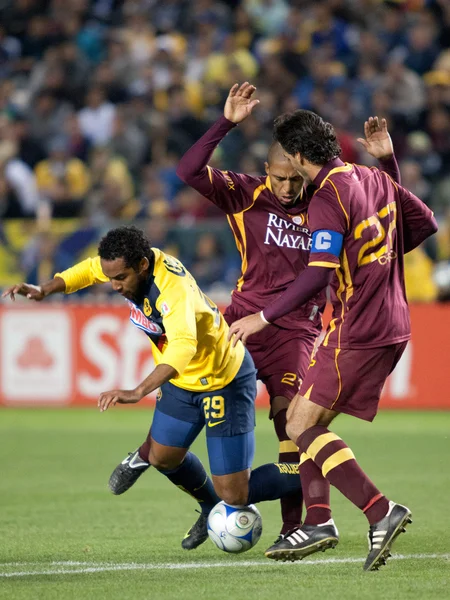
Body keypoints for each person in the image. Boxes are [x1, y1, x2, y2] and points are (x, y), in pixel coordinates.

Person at [176, 82, 402, 537]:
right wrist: (226, 124)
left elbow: (391, 206)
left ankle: (294, 527)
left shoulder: (325, 201)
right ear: (267, 169)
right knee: (193, 415)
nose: (284, 187)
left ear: (304, 169)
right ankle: (210, 501)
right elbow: (188, 170)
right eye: (277, 177)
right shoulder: (246, 194)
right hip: (241, 323)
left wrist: (386, 161)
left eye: (292, 179)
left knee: (292, 428)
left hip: (297, 330)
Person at [3, 225, 302, 551]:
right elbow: (90, 270)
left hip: (222, 380)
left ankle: (314, 470)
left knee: (236, 493)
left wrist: (138, 390)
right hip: (181, 382)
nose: (114, 286)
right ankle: (208, 505)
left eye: (121, 278)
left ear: (142, 266)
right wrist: (45, 288)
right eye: (111, 278)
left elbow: (184, 347)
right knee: (162, 457)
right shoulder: (129, 267)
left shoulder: (171, 288)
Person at [228, 109, 438, 570]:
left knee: (301, 427)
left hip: (357, 329)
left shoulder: (326, 197)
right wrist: (389, 170)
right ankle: (319, 519)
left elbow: (317, 272)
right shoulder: (372, 176)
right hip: (394, 322)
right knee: (308, 419)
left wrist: (264, 316)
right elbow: (420, 224)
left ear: (300, 155)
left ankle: (380, 511)